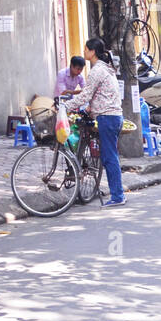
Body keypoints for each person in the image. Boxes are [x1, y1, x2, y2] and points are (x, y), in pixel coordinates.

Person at [65, 37, 126, 208]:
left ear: (92, 52)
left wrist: (65, 106)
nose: (83, 52)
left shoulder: (97, 70)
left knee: (109, 158)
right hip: (111, 116)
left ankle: (118, 196)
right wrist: (89, 109)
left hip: (108, 118)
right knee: (109, 156)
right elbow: (99, 95)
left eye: (85, 49)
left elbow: (85, 95)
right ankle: (117, 194)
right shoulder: (106, 69)